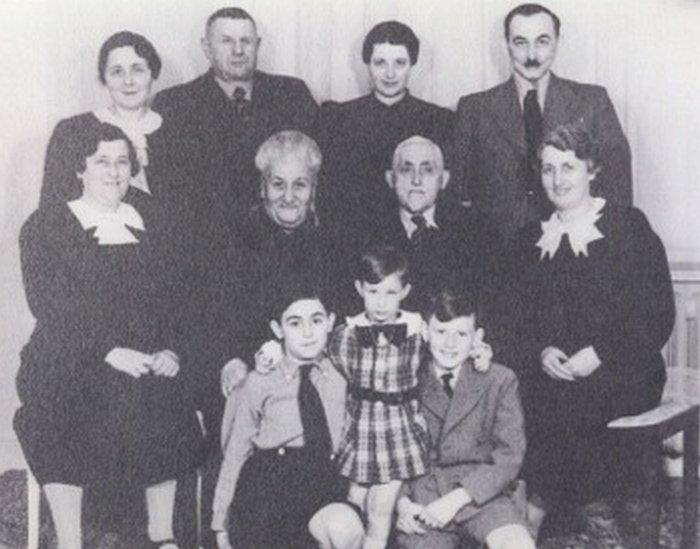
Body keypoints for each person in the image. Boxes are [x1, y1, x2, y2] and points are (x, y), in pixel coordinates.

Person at [14, 123, 204, 549]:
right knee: (54, 413)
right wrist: (107, 351)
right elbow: (49, 306)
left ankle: (163, 535)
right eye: (102, 161)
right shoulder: (47, 226)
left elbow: (180, 296)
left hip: (145, 355)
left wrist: (171, 348)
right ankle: (70, 540)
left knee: (164, 396)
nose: (115, 171)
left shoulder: (153, 217)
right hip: (67, 358)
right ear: (79, 168)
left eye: (122, 161)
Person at [515, 123, 674, 538]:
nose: (557, 179)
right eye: (548, 169)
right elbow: (519, 316)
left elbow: (655, 312)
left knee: (576, 401)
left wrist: (601, 353)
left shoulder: (627, 227)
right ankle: (545, 515)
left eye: (568, 167)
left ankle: (579, 513)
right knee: (533, 394)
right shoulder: (531, 239)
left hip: (624, 366)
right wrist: (541, 351)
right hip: (557, 370)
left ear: (592, 170)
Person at [452, 3, 632, 244]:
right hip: (498, 259)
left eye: (542, 41)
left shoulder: (593, 102)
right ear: (506, 44)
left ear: (557, 42)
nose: (532, 56)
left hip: (577, 256)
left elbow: (618, 191)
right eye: (520, 42)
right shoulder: (474, 109)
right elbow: (456, 195)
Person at [210, 279, 356, 549]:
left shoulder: (342, 372)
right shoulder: (259, 381)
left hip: (322, 480)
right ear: (278, 329)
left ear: (331, 321)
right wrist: (220, 525)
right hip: (268, 487)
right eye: (295, 323)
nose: (308, 332)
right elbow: (235, 453)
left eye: (316, 320)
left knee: (345, 528)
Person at [152, 7, 318, 237]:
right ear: (206, 48)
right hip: (209, 243)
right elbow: (168, 191)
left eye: (246, 41)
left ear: (258, 45)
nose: (238, 50)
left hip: (283, 239)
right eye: (227, 41)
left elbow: (317, 171)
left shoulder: (292, 94)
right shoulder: (174, 104)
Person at [394, 288, 534, 549]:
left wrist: (458, 497)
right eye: (441, 332)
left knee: (518, 545)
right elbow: (389, 451)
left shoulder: (499, 379)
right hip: (423, 502)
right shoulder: (404, 379)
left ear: (477, 337)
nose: (450, 344)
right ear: (425, 332)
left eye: (461, 334)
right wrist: (400, 505)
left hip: (482, 497)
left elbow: (509, 456)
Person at [367, 136, 512, 363]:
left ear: (443, 179)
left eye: (427, 171)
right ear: (391, 178)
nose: (416, 180)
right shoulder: (365, 234)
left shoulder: (478, 232)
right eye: (406, 170)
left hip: (459, 359)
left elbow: (497, 305)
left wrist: (482, 344)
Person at [327, 244, 429, 549]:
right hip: (360, 432)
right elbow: (313, 354)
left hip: (401, 432)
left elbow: (451, 349)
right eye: (373, 292)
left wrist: (480, 351)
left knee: (381, 509)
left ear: (405, 291)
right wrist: (273, 350)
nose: (381, 303)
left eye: (390, 293)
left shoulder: (417, 329)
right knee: (353, 503)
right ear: (359, 288)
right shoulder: (345, 334)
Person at [317, 21, 454, 233]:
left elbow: (446, 196)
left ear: (412, 64)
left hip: (417, 236)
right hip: (353, 237)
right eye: (380, 63)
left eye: (400, 63)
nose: (390, 74)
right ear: (367, 64)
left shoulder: (440, 121)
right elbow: (327, 194)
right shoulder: (337, 119)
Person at [39, 31, 186, 212]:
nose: (128, 81)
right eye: (117, 72)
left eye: (137, 70)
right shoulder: (72, 131)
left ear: (152, 74)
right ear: (104, 78)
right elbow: (52, 208)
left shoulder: (181, 131)